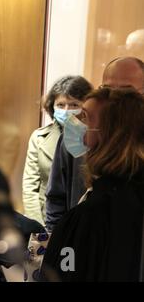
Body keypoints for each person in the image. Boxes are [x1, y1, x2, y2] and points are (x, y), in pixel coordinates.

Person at [41, 87, 144, 281]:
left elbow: (62, 273)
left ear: (111, 135)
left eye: (86, 118)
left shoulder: (88, 217)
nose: (78, 126)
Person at [45, 56, 144, 231]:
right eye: (107, 90)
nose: (112, 100)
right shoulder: (78, 133)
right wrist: (59, 238)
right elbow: (56, 197)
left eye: (125, 93)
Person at [22, 76, 93, 226]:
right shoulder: (39, 137)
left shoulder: (92, 138)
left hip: (80, 217)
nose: (66, 111)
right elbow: (30, 186)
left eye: (74, 105)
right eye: (61, 105)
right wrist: (39, 227)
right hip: (47, 218)